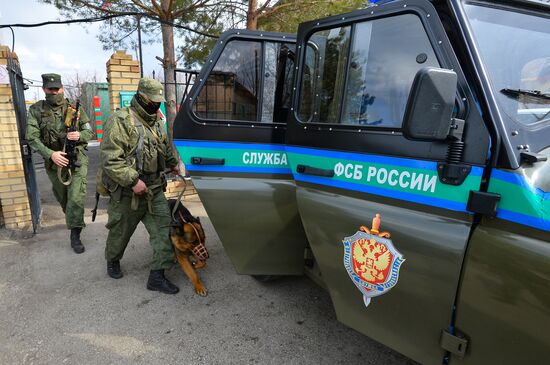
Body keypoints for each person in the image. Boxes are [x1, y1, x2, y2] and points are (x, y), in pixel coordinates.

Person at [99, 77, 180, 294]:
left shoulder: (157, 121)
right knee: (120, 232)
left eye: (158, 101)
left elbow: (163, 147)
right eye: (152, 100)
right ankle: (112, 259)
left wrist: (173, 165)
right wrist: (133, 180)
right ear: (141, 96)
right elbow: (110, 159)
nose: (155, 105)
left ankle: (157, 276)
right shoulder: (120, 121)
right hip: (127, 192)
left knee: (165, 231)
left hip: (154, 189)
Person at [26, 73, 93, 254]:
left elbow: (89, 132)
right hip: (55, 162)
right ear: (44, 90)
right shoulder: (36, 110)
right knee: (63, 198)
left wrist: (79, 135)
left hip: (77, 158)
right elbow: (32, 137)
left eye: (57, 89)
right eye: (50, 89)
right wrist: (51, 154)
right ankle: (72, 220)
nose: (54, 92)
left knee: (76, 197)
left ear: (62, 88)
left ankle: (75, 234)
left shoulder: (74, 109)